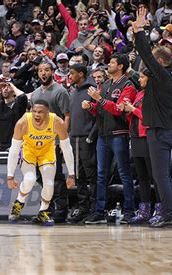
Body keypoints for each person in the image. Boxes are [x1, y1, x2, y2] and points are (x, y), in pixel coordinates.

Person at [133, 7, 172, 227]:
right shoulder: (159, 80)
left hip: (160, 133)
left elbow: (145, 54)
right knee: (162, 176)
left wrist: (140, 31)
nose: (145, 66)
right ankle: (170, 211)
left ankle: (169, 213)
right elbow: (141, 58)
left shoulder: (162, 76)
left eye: (150, 62)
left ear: (158, 62)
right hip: (160, 131)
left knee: (160, 176)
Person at [83, 54, 137, 224]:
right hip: (103, 135)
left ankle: (129, 210)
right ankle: (100, 211)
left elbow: (118, 111)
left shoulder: (128, 86)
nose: (108, 64)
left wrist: (99, 100)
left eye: (112, 62)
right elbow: (101, 110)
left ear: (120, 66)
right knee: (101, 175)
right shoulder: (106, 84)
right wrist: (91, 106)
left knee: (124, 173)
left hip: (119, 134)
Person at [6, 100, 75, 226]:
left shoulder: (57, 122)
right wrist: (10, 176)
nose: (37, 115)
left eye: (40, 112)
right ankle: (18, 204)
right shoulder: (23, 123)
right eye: (34, 112)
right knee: (29, 179)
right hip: (29, 152)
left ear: (48, 113)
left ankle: (43, 212)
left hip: (47, 152)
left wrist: (71, 174)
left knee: (49, 183)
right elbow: (14, 150)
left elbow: (67, 148)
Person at [117, 68, 159, 224]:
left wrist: (133, 109)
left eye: (142, 77)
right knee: (142, 176)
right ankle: (144, 210)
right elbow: (133, 116)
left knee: (154, 176)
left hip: (147, 136)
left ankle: (160, 209)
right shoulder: (139, 94)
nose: (140, 80)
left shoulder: (153, 94)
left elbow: (148, 116)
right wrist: (127, 109)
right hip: (134, 136)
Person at [30, 62, 70, 223]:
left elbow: (67, 115)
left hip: (54, 141)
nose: (43, 73)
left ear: (52, 72)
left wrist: (62, 140)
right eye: (40, 70)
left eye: (46, 70)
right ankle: (46, 209)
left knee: (56, 176)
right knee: (39, 176)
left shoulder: (60, 91)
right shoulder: (34, 94)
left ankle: (61, 209)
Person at [66, 64, 96, 223]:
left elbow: (98, 116)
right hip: (74, 138)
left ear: (81, 74)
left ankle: (95, 208)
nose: (69, 76)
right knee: (79, 176)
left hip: (87, 138)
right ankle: (83, 208)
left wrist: (91, 136)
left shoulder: (91, 90)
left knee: (91, 175)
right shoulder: (73, 92)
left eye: (72, 73)